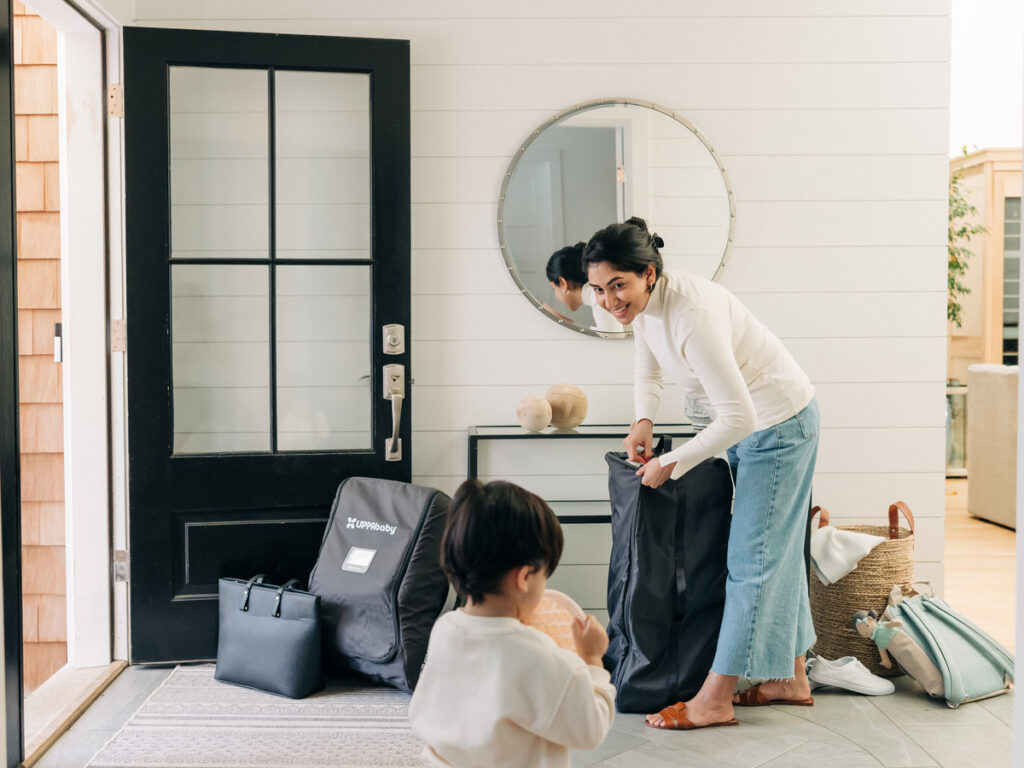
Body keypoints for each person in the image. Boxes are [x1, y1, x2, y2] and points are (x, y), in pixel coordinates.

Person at [582, 217, 819, 730]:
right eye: (598, 289)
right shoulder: (645, 307)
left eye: (617, 286)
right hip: (745, 426)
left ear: (648, 273)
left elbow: (742, 417)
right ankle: (791, 679)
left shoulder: (692, 314)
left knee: (752, 561)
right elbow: (648, 368)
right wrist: (643, 417)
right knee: (773, 550)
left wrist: (672, 462)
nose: (608, 301)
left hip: (777, 425)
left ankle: (714, 698)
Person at [408, 479, 616, 766]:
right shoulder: (535, 652)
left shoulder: (445, 629)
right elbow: (590, 729)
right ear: (524, 577)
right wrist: (592, 661)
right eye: (545, 575)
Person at [545, 242, 626, 333]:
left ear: (563, 283)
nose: (555, 293)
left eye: (554, 289)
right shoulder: (597, 292)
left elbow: (611, 339)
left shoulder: (599, 295)